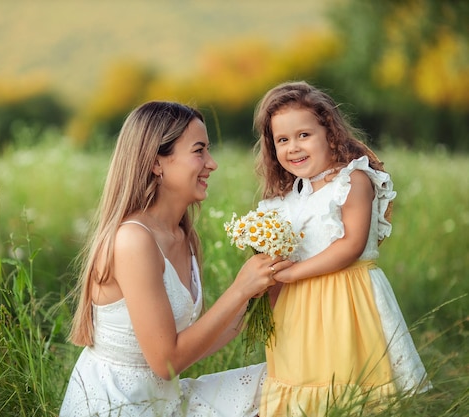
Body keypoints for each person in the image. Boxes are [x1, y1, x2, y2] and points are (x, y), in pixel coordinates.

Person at [60, 101, 290, 417]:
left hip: (164, 399)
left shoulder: (183, 236)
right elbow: (167, 362)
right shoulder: (134, 240)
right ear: (157, 163)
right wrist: (239, 289)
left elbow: (200, 342)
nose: (212, 163)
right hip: (121, 405)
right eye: (199, 151)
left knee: (286, 382)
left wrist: (261, 294)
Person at [252, 81, 432, 416]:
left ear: (329, 132)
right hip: (299, 310)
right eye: (283, 140)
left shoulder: (352, 181)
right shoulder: (287, 200)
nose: (294, 147)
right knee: (303, 384)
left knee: (345, 385)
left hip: (346, 300)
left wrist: (292, 273)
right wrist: (273, 302)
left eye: (304, 135)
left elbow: (351, 245)